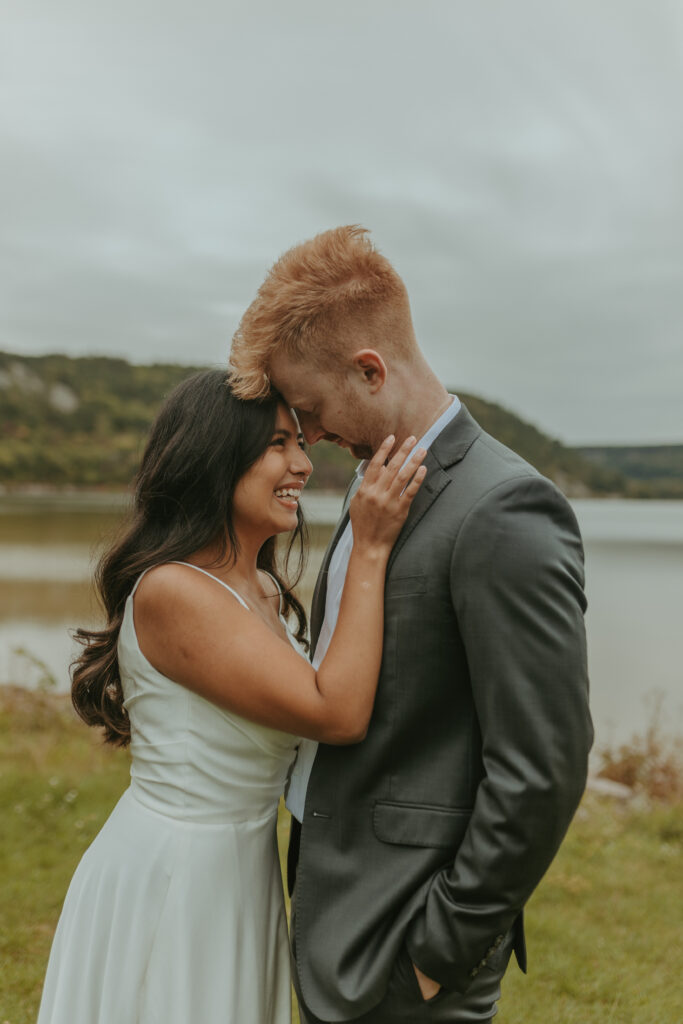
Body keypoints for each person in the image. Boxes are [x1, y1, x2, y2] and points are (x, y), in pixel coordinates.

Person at [229, 225, 594, 1024]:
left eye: (315, 409)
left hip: (409, 943)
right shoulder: (379, 486)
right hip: (344, 916)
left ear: (370, 369)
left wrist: (441, 948)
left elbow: (542, 766)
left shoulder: (504, 508)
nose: (311, 436)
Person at [36, 369, 427, 1024]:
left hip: (243, 868)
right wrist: (370, 545)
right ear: (214, 458)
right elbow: (336, 711)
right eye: (279, 443)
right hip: (175, 877)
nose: (302, 463)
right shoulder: (173, 592)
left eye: (300, 443)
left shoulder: (267, 594)